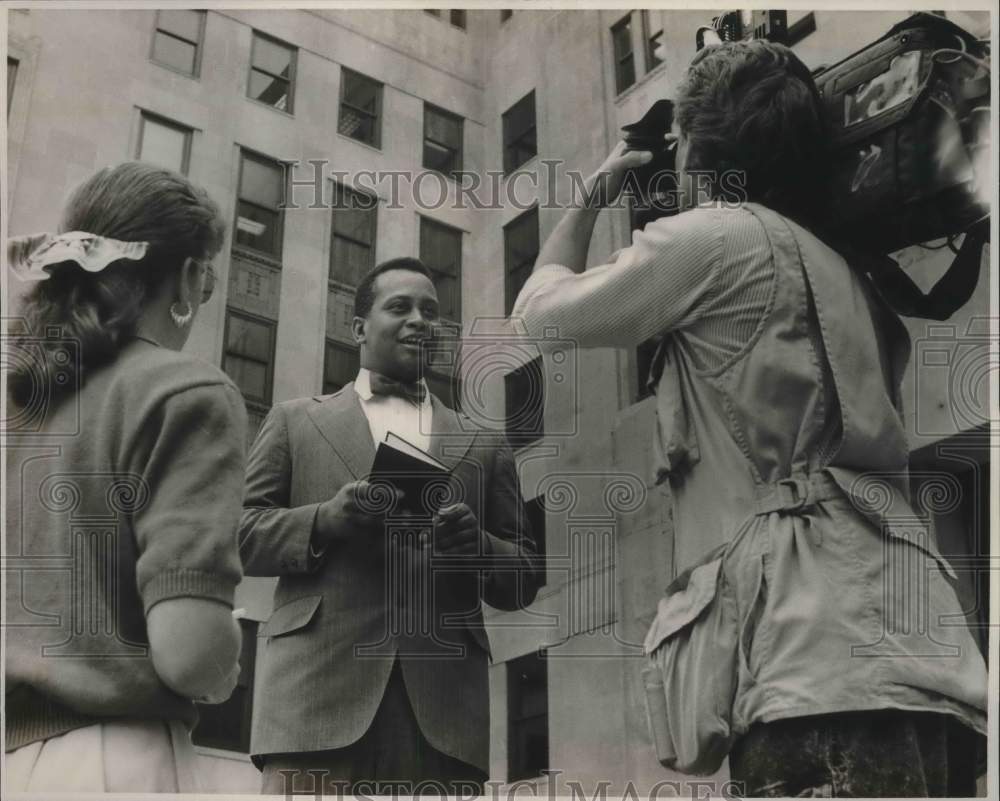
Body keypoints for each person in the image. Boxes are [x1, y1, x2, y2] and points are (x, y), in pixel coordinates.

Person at [510, 41, 987, 797]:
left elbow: (537, 315)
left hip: (806, 667)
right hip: (924, 658)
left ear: (699, 148)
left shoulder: (717, 238)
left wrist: (599, 188)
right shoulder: (851, 275)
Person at [239, 257, 542, 796]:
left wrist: (478, 547)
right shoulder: (293, 420)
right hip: (314, 705)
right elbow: (239, 536)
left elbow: (523, 575)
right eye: (399, 307)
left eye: (431, 310)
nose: (420, 320)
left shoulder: (487, 444)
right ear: (358, 328)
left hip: (444, 718)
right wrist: (324, 521)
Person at [4, 162, 246, 793]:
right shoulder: (184, 389)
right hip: (110, 762)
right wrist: (225, 665)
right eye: (209, 275)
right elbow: (190, 654)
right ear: (190, 277)